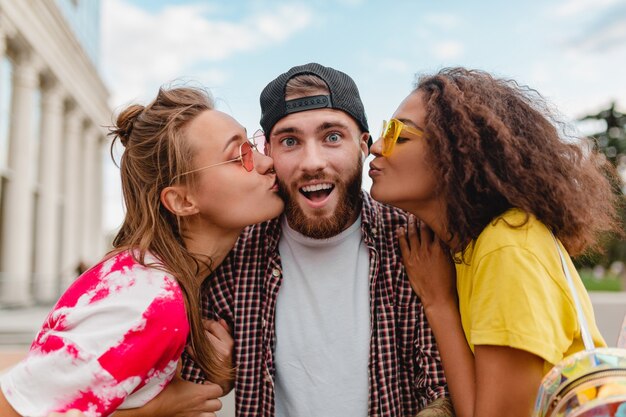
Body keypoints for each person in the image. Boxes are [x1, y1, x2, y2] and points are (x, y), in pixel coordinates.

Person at [173, 63, 451, 417]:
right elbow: (182, 391)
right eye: (290, 141)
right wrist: (218, 375)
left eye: (332, 136)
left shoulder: (412, 242)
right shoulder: (235, 252)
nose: (312, 162)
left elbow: (441, 391)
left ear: (364, 145)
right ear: (268, 153)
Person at [0, 86, 284, 417]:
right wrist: (155, 410)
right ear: (182, 201)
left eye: (255, 145)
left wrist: (216, 378)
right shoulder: (148, 300)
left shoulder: (159, 279)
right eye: (239, 156)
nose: (267, 162)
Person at [368, 67, 620, 417]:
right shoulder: (472, 247)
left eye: (400, 135)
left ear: (455, 154)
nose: (376, 147)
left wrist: (438, 303)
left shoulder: (507, 248)